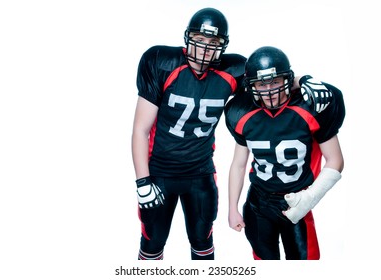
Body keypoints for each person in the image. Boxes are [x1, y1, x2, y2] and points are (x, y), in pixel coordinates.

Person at [131, 7, 333, 260]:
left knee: (202, 243)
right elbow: (140, 129)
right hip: (160, 171)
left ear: (223, 46)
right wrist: (142, 181)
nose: (205, 49)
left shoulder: (233, 69)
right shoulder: (161, 61)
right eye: (200, 40)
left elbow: (267, 79)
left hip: (200, 173)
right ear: (188, 38)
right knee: (152, 243)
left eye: (213, 43)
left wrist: (303, 79)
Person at [224, 46, 345, 260]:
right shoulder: (241, 112)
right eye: (262, 84)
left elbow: (335, 160)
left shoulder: (310, 106)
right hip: (258, 203)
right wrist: (232, 207)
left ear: (288, 80)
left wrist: (308, 198)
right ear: (251, 87)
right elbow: (239, 164)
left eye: (275, 82)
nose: (269, 90)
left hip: (296, 201)